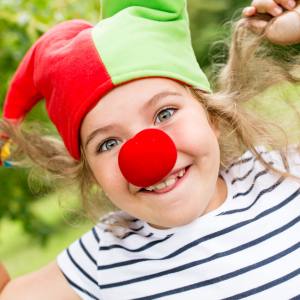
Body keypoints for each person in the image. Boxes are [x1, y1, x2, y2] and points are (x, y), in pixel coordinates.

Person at [1, 0, 300, 298]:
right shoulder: (101, 260)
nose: (146, 156)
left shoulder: (288, 175)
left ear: (211, 116)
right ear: (92, 175)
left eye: (165, 114)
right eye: (108, 143)